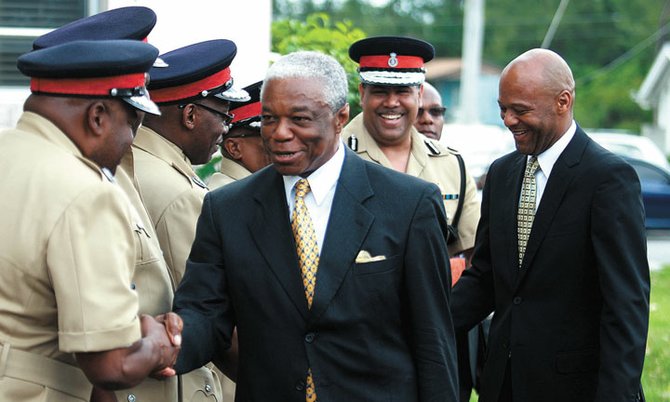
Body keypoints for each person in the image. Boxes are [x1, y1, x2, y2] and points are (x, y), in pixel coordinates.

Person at [172, 50, 458, 401]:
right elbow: (206, 314)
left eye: (299, 119)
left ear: (340, 117)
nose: (279, 133)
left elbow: (432, 340)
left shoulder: (409, 204)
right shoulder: (227, 209)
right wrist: (168, 343)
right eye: (268, 119)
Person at [30, 7, 223, 402]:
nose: (138, 122)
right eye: (134, 106)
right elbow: (105, 357)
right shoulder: (82, 184)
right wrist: (159, 340)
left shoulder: (115, 168)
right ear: (99, 111)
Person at [451, 48, 650, 402]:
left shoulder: (608, 179)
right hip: (502, 384)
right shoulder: (502, 174)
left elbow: (626, 305)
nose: (509, 120)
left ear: (563, 101)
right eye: (502, 109)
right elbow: (484, 277)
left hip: (575, 389)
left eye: (520, 110)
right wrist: (418, 330)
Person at [0, 39, 181, 402]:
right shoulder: (87, 192)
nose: (129, 142)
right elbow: (112, 363)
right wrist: (159, 341)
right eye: (131, 125)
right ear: (97, 116)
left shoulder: (8, 150)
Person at [119, 39, 247, 401]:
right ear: (190, 115)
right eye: (223, 115)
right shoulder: (180, 194)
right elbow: (209, 312)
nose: (226, 130)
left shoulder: (132, 163)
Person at [341, 36, 480, 263]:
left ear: (419, 93)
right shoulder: (332, 157)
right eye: (380, 91)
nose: (392, 102)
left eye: (403, 91)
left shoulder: (451, 165)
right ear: (362, 93)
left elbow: (475, 258)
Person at [208, 80, 271, 190]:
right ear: (234, 148)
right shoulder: (229, 200)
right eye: (269, 138)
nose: (282, 144)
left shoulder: (259, 189)